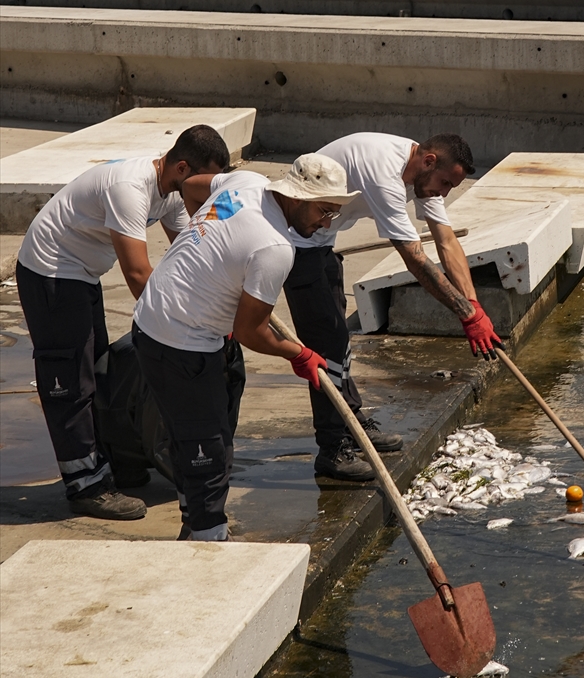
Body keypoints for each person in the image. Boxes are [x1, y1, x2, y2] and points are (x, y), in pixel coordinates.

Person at [132, 154, 358, 541]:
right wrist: (298, 354)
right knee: (209, 450)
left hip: (151, 318)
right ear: (297, 198)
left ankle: (193, 522)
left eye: (333, 214)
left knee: (189, 435)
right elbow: (251, 331)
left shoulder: (247, 183)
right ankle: (209, 539)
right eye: (323, 211)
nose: (325, 223)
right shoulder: (274, 248)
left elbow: (191, 186)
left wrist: (209, 255)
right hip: (183, 340)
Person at [15, 124, 230, 521]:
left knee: (99, 368)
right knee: (69, 383)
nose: (207, 193)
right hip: (51, 272)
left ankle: (111, 458)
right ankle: (86, 486)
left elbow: (190, 253)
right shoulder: (130, 188)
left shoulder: (170, 192)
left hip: (82, 272)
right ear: (182, 167)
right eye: (205, 182)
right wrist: (175, 330)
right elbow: (138, 274)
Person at [284, 132, 502, 482]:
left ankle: (351, 422)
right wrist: (464, 314)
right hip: (293, 242)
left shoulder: (423, 173)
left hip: (321, 240)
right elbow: (415, 260)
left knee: (339, 343)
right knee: (325, 348)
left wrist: (474, 306)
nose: (443, 193)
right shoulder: (383, 171)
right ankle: (332, 450)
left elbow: (446, 241)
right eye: (445, 183)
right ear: (429, 161)